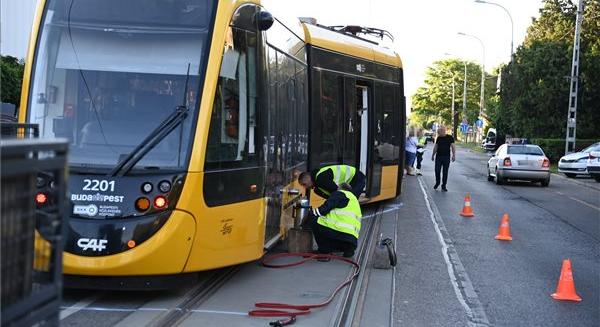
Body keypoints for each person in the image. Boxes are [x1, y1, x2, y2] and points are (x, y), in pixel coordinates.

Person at [303, 183, 361, 258]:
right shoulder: (354, 200)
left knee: (314, 220)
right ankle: (348, 250)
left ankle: (324, 250)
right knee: (329, 227)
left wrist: (311, 213)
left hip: (338, 233)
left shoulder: (340, 193)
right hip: (351, 240)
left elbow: (326, 208)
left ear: (340, 189)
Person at [298, 164, 366, 199]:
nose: (305, 188)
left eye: (304, 184)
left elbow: (337, 193)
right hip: (353, 179)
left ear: (308, 179)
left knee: (351, 201)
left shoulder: (321, 179)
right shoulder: (317, 187)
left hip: (357, 178)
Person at [431, 125, 456, 192]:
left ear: (443, 131)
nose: (439, 134)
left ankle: (444, 185)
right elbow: (436, 147)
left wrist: (454, 155)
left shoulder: (450, 137)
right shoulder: (439, 138)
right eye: (438, 133)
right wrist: (433, 155)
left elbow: (453, 147)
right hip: (438, 157)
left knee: (445, 172)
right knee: (437, 170)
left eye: (440, 132)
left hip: (446, 157)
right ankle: (437, 182)